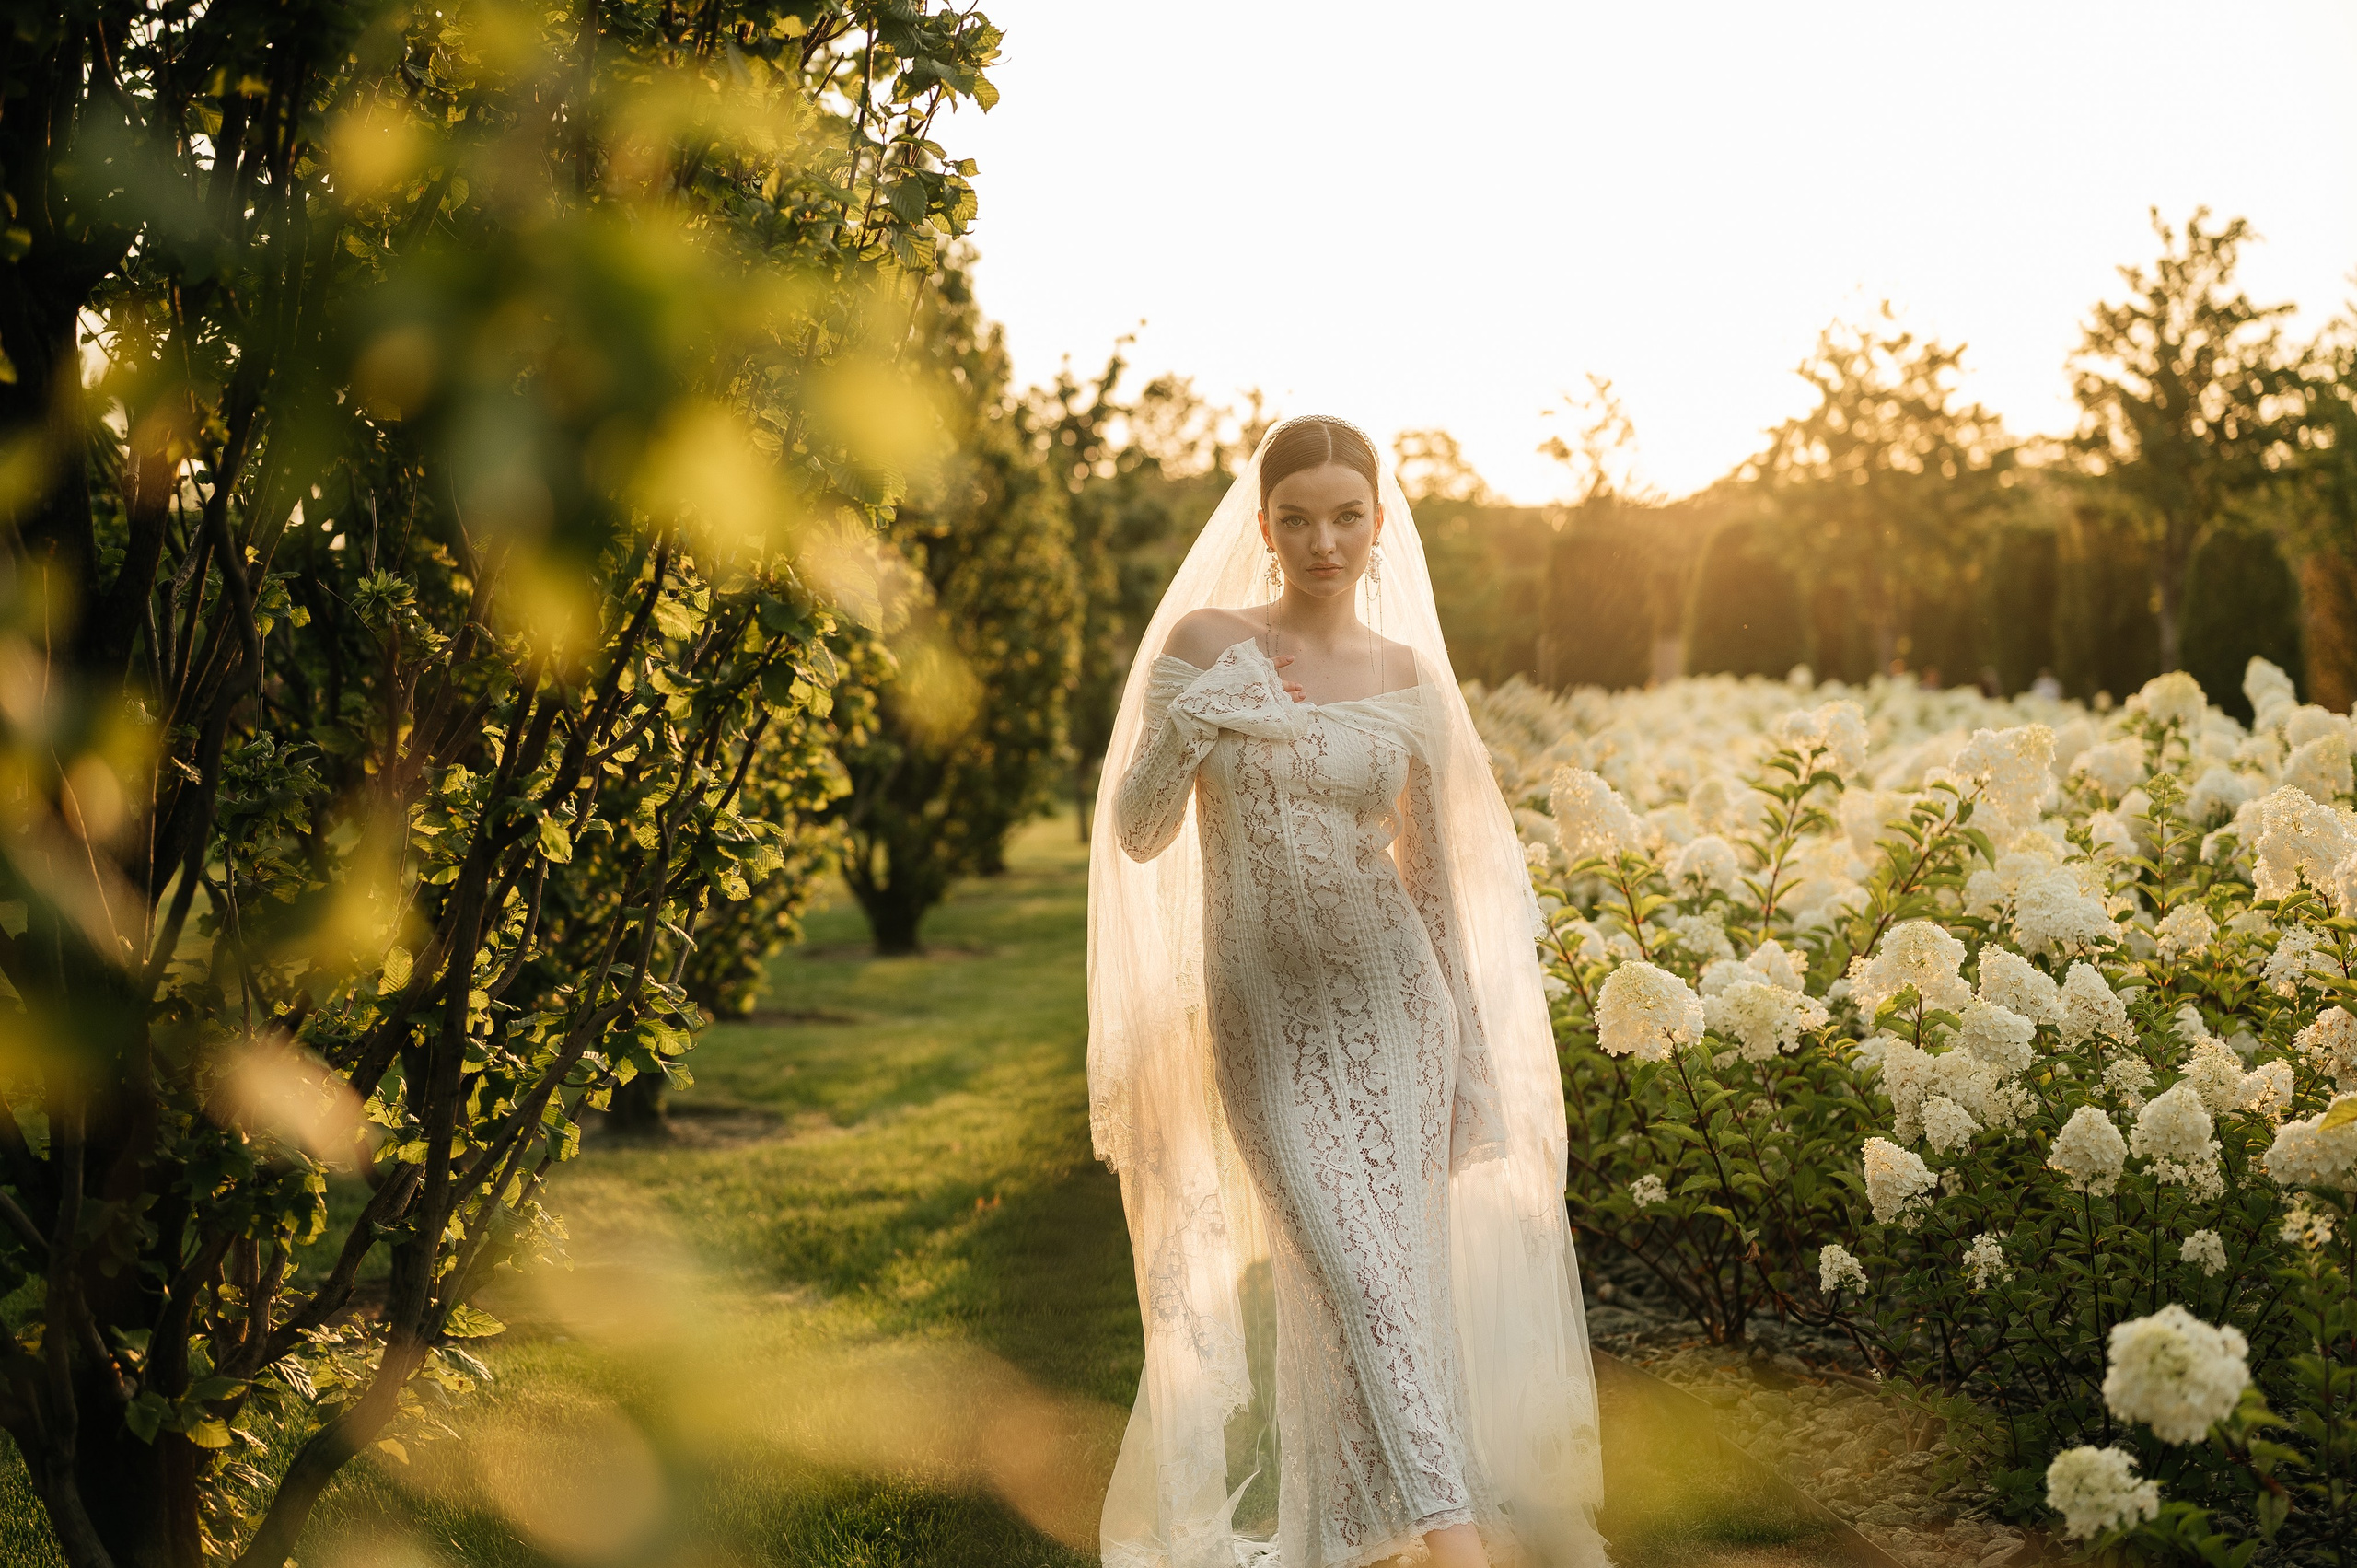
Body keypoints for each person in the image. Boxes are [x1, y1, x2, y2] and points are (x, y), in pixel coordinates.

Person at [1088, 417, 1609, 1568]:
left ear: (1379, 525)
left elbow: (1434, 890)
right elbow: (1137, 829)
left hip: (1399, 1010)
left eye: (1345, 516)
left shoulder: (1407, 675)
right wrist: (1202, 714)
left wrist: (1469, 1064)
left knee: (1385, 1289)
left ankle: (1353, 1538)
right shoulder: (1206, 641)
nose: (1322, 540)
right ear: (1263, 526)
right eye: (1297, 518)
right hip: (1266, 1022)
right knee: (1356, 1270)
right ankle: (1458, 1545)